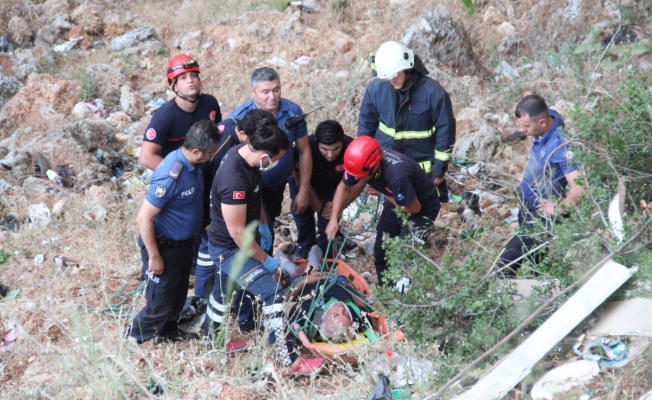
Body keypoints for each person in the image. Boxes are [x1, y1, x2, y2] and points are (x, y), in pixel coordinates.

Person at [206, 112, 325, 375]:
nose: (279, 162)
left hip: (239, 241)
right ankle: (289, 361)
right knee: (273, 294)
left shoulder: (246, 157)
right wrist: (266, 260)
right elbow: (238, 234)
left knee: (221, 294)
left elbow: (256, 194)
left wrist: (263, 224)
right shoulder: (233, 179)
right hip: (230, 250)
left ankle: (213, 343)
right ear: (264, 157)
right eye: (278, 159)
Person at [126, 120, 220, 344]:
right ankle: (136, 335)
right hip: (164, 246)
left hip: (184, 243)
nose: (212, 156)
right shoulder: (170, 175)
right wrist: (155, 257)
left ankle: (168, 330)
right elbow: (144, 217)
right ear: (196, 151)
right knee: (161, 301)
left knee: (177, 295)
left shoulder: (193, 164)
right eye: (210, 153)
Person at [325, 136, 441, 285]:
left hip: (421, 209)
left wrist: (383, 193)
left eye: (359, 176)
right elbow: (343, 187)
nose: (355, 178)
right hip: (395, 202)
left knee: (403, 256)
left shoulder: (396, 176)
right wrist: (334, 218)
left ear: (373, 167)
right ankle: (386, 290)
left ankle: (403, 298)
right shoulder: (360, 164)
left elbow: (414, 208)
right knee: (382, 251)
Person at [496, 94, 584, 276]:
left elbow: (580, 187)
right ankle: (542, 293)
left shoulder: (561, 146)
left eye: (526, 126)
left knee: (504, 266)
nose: (522, 130)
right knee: (536, 261)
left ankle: (502, 301)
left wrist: (559, 208)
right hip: (526, 206)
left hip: (539, 214)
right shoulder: (547, 122)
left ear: (542, 122)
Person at [358, 41, 455, 203]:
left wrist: (439, 172)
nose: (392, 80)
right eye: (388, 77)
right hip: (387, 171)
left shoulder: (434, 94)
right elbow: (365, 129)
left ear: (408, 69)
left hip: (423, 174)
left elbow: (446, 133)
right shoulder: (376, 90)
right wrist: (366, 167)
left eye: (396, 74)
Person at [228, 67, 313, 254]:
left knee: (268, 224)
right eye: (265, 92)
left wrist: (303, 190)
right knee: (252, 233)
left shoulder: (292, 112)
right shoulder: (239, 120)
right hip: (249, 189)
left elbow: (304, 150)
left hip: (276, 186)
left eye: (276, 89)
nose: (272, 97)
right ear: (252, 92)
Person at [139, 54, 221, 170]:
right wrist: (179, 174)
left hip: (207, 167)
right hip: (178, 173)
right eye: (183, 78)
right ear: (174, 86)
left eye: (193, 75)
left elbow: (218, 138)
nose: (190, 80)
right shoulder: (164, 117)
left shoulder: (210, 103)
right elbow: (146, 157)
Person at [288, 120, 357, 259]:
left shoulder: (352, 148)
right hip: (304, 184)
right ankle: (305, 246)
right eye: (325, 149)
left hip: (333, 186)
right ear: (316, 140)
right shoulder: (305, 147)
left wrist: (339, 207)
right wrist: (319, 207)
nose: (330, 155)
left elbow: (355, 182)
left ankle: (330, 250)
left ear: (342, 140)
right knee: (301, 211)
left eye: (336, 149)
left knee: (330, 223)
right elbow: (299, 177)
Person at [274, 252, 377, 343]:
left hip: (302, 281)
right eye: (346, 315)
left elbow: (284, 302)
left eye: (336, 314)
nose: (341, 308)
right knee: (316, 250)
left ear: (323, 320)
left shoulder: (307, 315)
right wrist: (348, 287)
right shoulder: (360, 318)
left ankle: (296, 269)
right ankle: (313, 265)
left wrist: (304, 281)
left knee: (279, 256)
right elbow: (358, 301)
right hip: (326, 276)